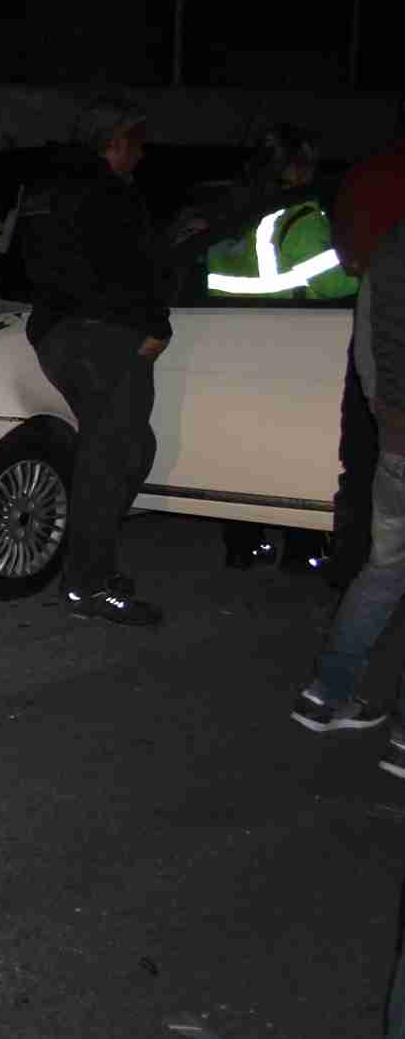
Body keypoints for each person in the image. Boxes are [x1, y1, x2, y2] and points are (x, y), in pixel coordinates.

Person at [19, 97, 170, 626]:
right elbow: (132, 270)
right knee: (113, 457)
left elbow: (46, 262)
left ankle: (87, 562)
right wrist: (153, 326)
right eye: (136, 142)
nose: (142, 153)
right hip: (104, 338)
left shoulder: (48, 188)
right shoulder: (108, 194)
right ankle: (88, 583)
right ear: (114, 143)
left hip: (63, 333)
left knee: (128, 449)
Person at [180, 125, 356, 571]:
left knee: (241, 445)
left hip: (232, 342)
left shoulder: (232, 215)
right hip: (293, 346)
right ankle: (302, 551)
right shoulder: (300, 220)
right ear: (299, 167)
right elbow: (335, 282)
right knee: (300, 448)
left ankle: (242, 544)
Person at [292, 102, 405, 758]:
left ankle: (325, 696)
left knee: (383, 570)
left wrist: (386, 415)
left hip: (395, 439)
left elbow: (366, 344)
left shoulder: (391, 247)